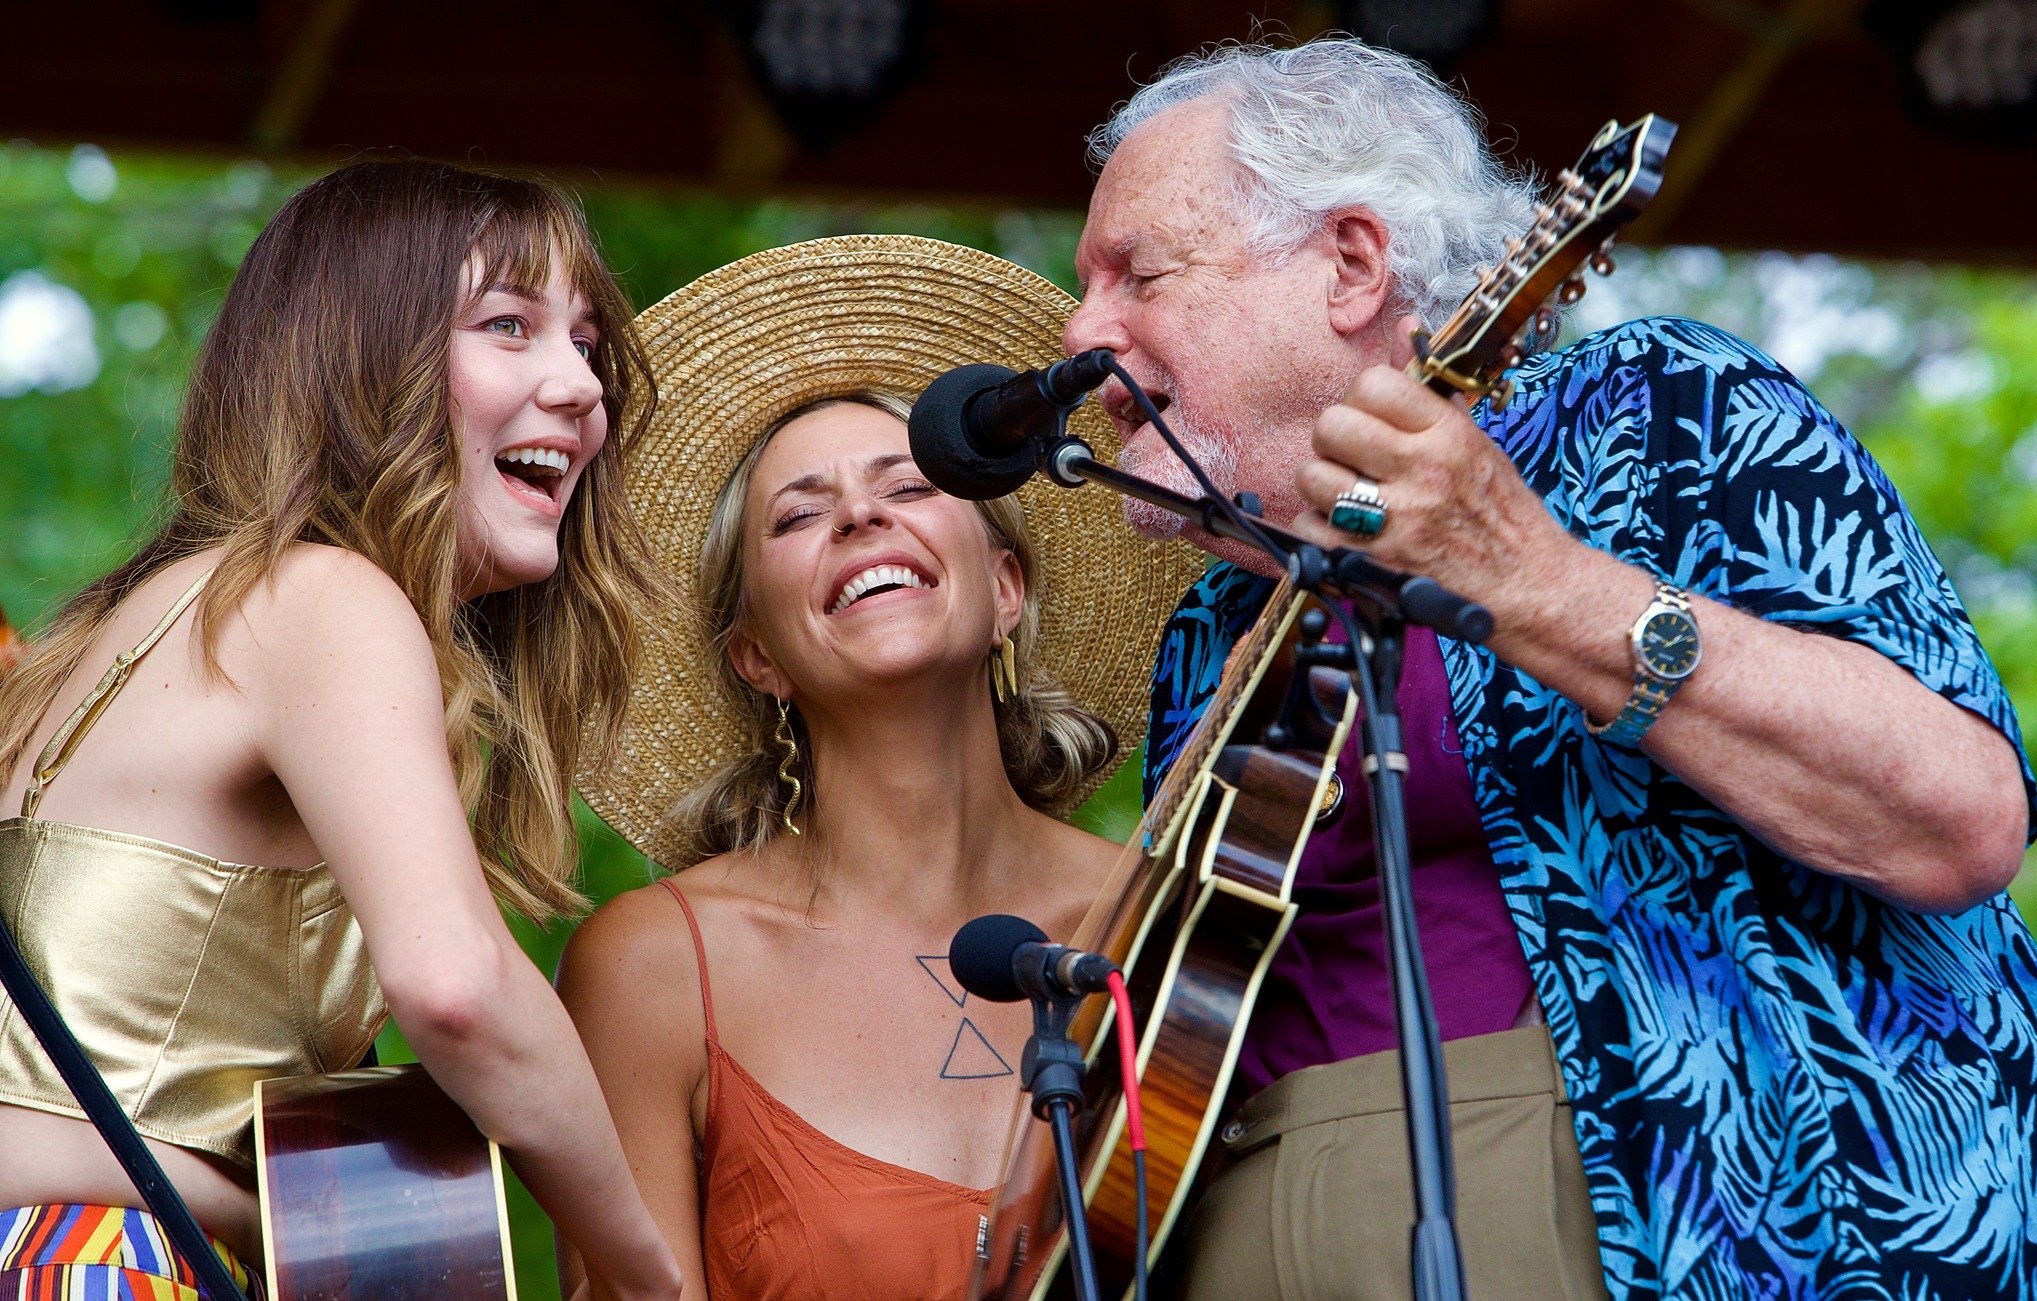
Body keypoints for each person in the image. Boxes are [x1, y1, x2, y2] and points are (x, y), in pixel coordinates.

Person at [1062, 40, 2037, 1301]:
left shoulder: (1656, 409)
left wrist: (1535, 583)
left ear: (1350, 266)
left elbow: (1957, 821)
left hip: (1690, 1228)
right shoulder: (1211, 616)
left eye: (1136, 274)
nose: (1083, 330)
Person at [0, 160, 684, 1301]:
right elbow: (460, 987)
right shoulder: (322, 593)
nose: (577, 385)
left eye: (587, 344)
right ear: (360, 358)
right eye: (509, 325)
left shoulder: (109, 636)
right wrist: (650, 1274)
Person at [556, 235, 1201, 1301]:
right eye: (799, 513)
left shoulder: (1163, 916)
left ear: (1005, 588)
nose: (859, 515)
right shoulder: (653, 962)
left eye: (909, 482)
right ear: (755, 654)